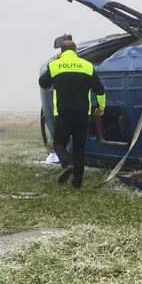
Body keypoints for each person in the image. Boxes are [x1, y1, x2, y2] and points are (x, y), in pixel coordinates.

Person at [38, 40, 106, 188]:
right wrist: (101, 107)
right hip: (82, 114)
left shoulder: (55, 65)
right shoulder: (87, 66)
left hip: (63, 113)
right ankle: (77, 181)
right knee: (79, 148)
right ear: (75, 51)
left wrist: (55, 62)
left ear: (62, 51)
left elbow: (43, 83)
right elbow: (100, 90)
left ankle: (67, 164)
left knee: (59, 143)